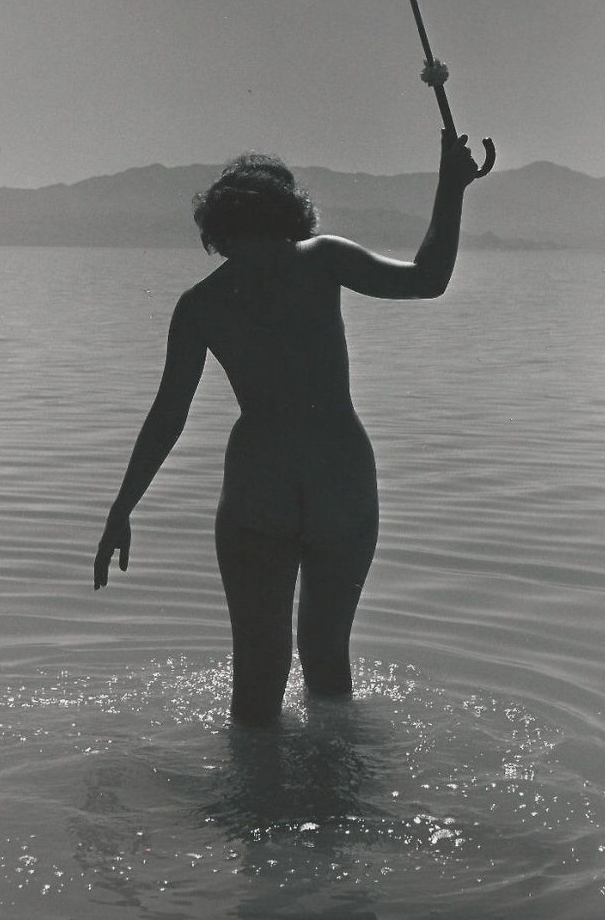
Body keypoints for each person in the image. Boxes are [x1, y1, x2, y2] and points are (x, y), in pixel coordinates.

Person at [94, 128, 481, 726]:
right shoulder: (321, 260)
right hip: (339, 476)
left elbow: (169, 415)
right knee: (327, 664)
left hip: (260, 483)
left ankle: (253, 787)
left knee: (257, 678)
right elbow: (427, 279)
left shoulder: (202, 303)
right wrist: (450, 187)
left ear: (218, 226)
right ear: (288, 212)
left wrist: (123, 507)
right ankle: (336, 784)